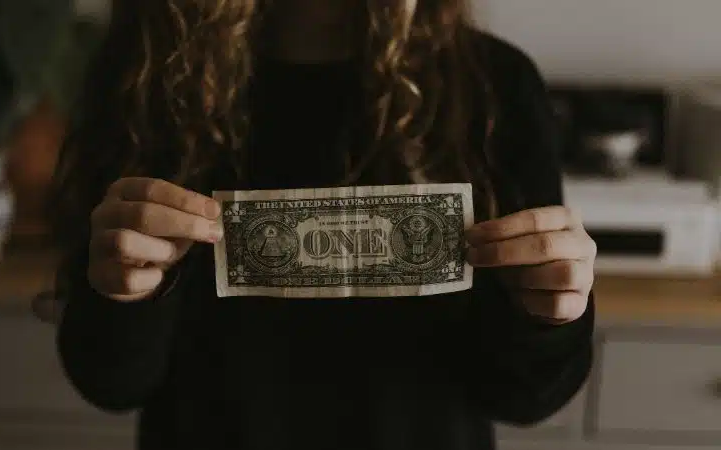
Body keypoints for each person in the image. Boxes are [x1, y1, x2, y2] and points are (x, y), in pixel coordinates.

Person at [52, 1, 597, 449]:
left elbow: (525, 395)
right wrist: (120, 293)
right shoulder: (143, 78)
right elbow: (109, 382)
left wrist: (549, 315)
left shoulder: (494, 88)